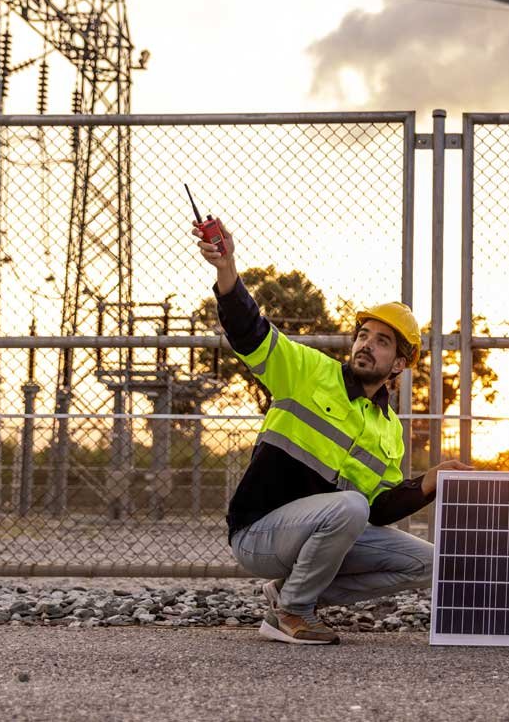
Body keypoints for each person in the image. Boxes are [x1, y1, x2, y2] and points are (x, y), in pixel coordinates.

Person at [192, 218, 470, 645]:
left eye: (381, 342)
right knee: (350, 506)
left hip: (325, 531)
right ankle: (291, 614)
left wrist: (429, 482)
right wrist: (226, 270)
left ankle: (290, 595)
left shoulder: (388, 430)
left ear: (399, 363)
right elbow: (250, 332)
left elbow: (378, 510)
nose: (365, 345)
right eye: (363, 335)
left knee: (432, 563)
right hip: (259, 532)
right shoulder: (308, 372)